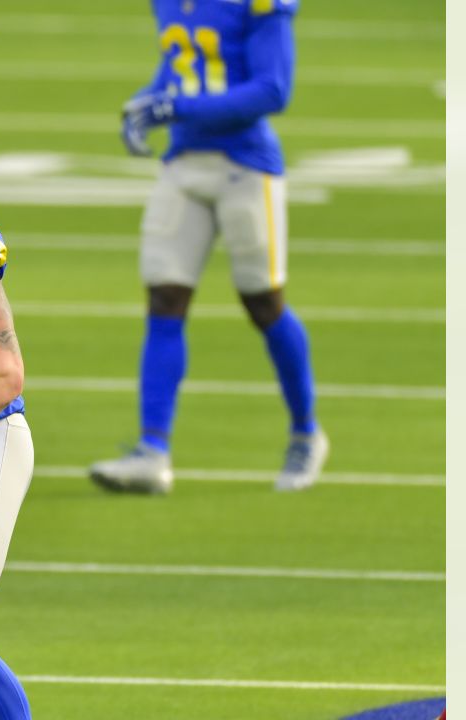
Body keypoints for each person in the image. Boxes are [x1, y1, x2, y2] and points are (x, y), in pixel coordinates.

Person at [90, 0, 328, 494]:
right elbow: (182, 66)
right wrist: (146, 102)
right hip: (183, 163)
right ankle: (152, 451)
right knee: (165, 299)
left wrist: (176, 106)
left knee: (263, 302)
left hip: (246, 166)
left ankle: (306, 431)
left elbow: (273, 89)